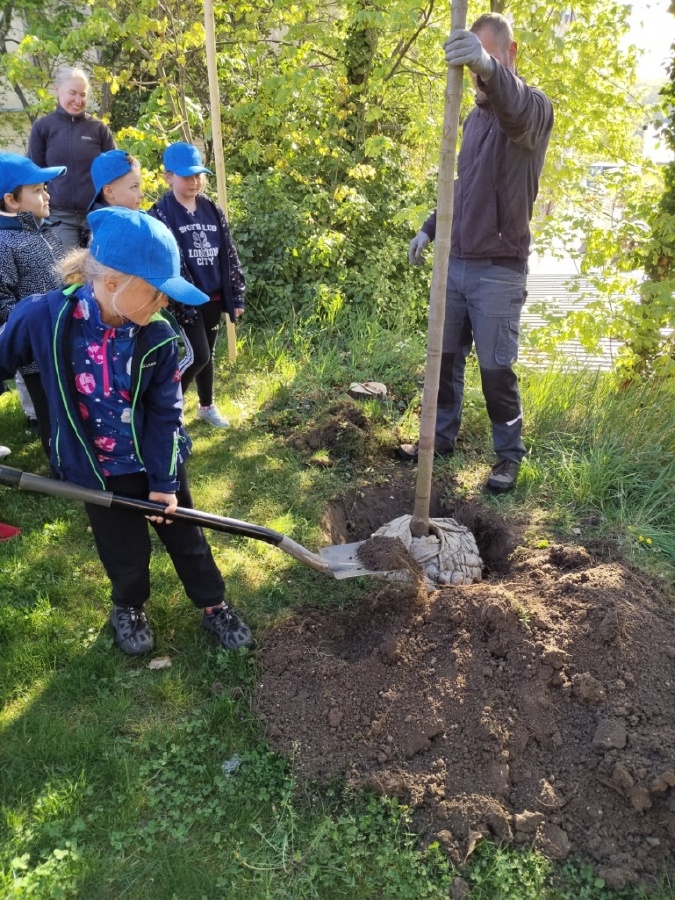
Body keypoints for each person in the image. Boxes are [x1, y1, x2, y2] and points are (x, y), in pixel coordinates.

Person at [0, 207, 254, 656]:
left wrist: (164, 482)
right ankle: (129, 605)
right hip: (95, 469)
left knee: (187, 537)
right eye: (156, 292)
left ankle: (213, 603)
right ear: (113, 282)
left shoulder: (158, 335)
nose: (164, 303)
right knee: (123, 550)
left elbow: (165, 414)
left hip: (154, 458)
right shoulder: (43, 316)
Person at [404, 13, 554, 493]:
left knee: (495, 370)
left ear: (510, 53)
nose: (475, 75)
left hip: (498, 271)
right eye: (471, 66)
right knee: (445, 359)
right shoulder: (473, 119)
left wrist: (488, 67)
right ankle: (439, 440)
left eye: (484, 61)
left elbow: (516, 106)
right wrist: (430, 228)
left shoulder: (533, 111)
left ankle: (508, 455)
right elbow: (462, 185)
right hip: (456, 262)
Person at [149, 142, 246, 428]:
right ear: (168, 177)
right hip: (185, 298)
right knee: (198, 355)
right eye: (186, 176)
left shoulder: (211, 209)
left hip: (213, 295)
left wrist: (236, 295)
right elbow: (166, 261)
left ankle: (206, 406)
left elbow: (228, 253)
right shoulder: (160, 213)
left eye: (198, 175)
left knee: (207, 355)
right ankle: (164, 405)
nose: (194, 181)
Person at [0, 152, 67, 457]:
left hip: (64, 339)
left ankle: (77, 458)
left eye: (45, 188)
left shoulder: (46, 231)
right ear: (12, 201)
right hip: (36, 352)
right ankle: (59, 466)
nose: (47, 195)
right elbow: (3, 299)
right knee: (49, 412)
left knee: (69, 405)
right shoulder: (5, 243)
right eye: (37, 190)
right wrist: (29, 336)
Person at [28, 66, 115, 252]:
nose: (78, 100)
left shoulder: (99, 129)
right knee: (65, 269)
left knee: (98, 267)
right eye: (72, 93)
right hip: (60, 216)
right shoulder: (42, 128)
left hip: (96, 216)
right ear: (57, 89)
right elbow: (35, 176)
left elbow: (114, 174)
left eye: (83, 95)